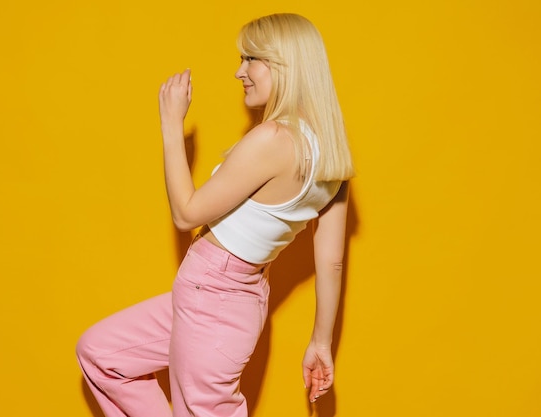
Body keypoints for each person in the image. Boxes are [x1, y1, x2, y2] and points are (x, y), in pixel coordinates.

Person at [76, 12, 354, 417]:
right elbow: (331, 260)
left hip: (217, 295)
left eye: (250, 59)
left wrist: (172, 125)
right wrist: (321, 341)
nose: (239, 71)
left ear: (283, 64)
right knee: (102, 353)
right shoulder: (331, 152)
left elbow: (186, 213)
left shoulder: (273, 139)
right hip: (218, 294)